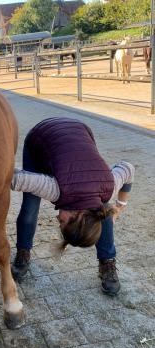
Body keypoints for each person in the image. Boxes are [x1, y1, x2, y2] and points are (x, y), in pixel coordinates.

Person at [11, 117, 134, 296]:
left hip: (79, 134)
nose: (57, 219)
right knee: (30, 206)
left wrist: (118, 206)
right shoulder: (56, 190)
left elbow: (128, 168)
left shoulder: (109, 187)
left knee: (102, 211)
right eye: (61, 223)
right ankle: (23, 251)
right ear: (75, 216)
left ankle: (107, 261)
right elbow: (14, 179)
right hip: (41, 137)